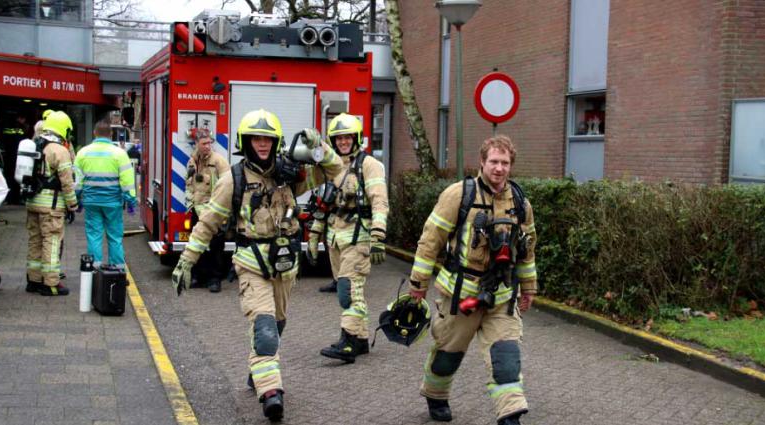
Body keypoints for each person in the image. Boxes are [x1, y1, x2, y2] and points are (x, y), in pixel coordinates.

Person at [171, 109, 342, 422]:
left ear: (275, 142)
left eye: (267, 138)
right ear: (245, 142)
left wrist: (320, 146)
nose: (261, 144)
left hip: (286, 267)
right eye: (255, 138)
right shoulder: (232, 180)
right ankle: (271, 392)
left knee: (276, 325)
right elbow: (207, 223)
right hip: (251, 265)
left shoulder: (290, 175)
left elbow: (334, 169)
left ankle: (258, 369)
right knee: (264, 330)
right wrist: (186, 261)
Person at [407, 135, 538, 425]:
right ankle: (436, 395)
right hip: (459, 297)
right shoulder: (459, 195)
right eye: (494, 161)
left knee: (507, 358)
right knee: (447, 357)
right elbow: (430, 241)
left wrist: (528, 288)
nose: (499, 168)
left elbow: (527, 251)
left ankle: (510, 414)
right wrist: (418, 284)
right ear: (482, 162)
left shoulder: (519, 202)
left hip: (502, 297)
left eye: (505, 162)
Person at [308, 113, 389, 363]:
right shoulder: (332, 168)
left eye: (348, 137)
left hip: (359, 238)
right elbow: (327, 203)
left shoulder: (369, 165)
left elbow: (379, 201)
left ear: (356, 139)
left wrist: (377, 235)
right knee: (353, 292)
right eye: (339, 138)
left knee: (348, 290)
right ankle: (362, 339)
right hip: (335, 239)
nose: (343, 142)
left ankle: (349, 341)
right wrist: (314, 233)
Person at [25, 110, 79, 296]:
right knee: (52, 242)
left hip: (32, 202)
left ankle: (33, 280)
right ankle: (51, 284)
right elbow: (67, 182)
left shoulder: (35, 145)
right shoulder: (59, 150)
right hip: (51, 206)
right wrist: (73, 204)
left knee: (35, 241)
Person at [73, 119, 137, 270]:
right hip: (113, 203)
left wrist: (77, 199)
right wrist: (131, 202)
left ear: (94, 133)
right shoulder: (120, 154)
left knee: (94, 236)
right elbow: (127, 181)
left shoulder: (82, 153)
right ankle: (118, 270)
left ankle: (94, 271)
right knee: (115, 237)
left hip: (91, 202)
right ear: (110, 134)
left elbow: (78, 182)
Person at [184, 129, 231, 292]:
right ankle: (199, 277)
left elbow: (228, 187)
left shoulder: (219, 162)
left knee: (216, 246)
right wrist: (189, 204)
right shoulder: (192, 161)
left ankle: (215, 279)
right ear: (196, 144)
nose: (207, 146)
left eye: (210, 143)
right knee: (197, 244)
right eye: (204, 143)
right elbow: (189, 183)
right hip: (197, 210)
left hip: (214, 212)